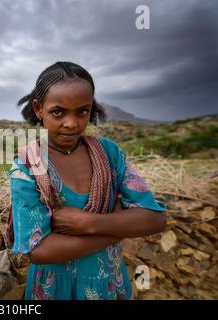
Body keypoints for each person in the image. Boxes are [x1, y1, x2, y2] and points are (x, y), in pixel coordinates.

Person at [9, 61, 167, 300]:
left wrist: (88, 223)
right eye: (58, 112)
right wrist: (116, 230)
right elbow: (38, 250)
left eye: (82, 111)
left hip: (109, 286)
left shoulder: (110, 154)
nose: (71, 123)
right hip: (54, 290)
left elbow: (154, 218)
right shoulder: (27, 165)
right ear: (39, 109)